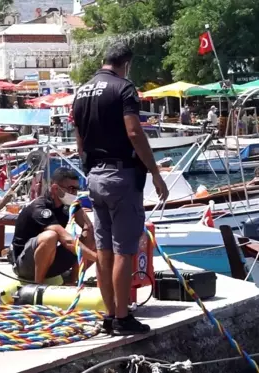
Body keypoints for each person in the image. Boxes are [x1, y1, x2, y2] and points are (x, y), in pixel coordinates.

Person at [72, 42, 169, 335]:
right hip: (121, 175)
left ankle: (109, 314)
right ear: (126, 63)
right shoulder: (124, 88)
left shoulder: (82, 91)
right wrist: (154, 171)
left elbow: (79, 138)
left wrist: (89, 169)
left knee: (104, 249)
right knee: (124, 250)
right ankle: (123, 317)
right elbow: (133, 131)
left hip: (95, 177)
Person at [10, 167, 97, 284]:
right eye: (72, 189)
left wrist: (79, 212)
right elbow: (67, 241)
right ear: (55, 188)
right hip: (24, 265)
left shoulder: (69, 205)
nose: (75, 193)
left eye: (77, 189)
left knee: (95, 236)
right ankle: (38, 286)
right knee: (50, 236)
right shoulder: (40, 207)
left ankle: (73, 280)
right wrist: (98, 258)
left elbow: (89, 227)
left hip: (49, 259)